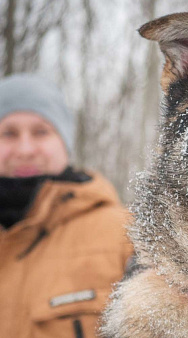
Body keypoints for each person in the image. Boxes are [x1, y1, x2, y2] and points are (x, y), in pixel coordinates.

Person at [0, 73, 133, 338]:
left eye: (41, 132)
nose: (25, 149)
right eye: (8, 133)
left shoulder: (127, 235)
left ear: (65, 142)